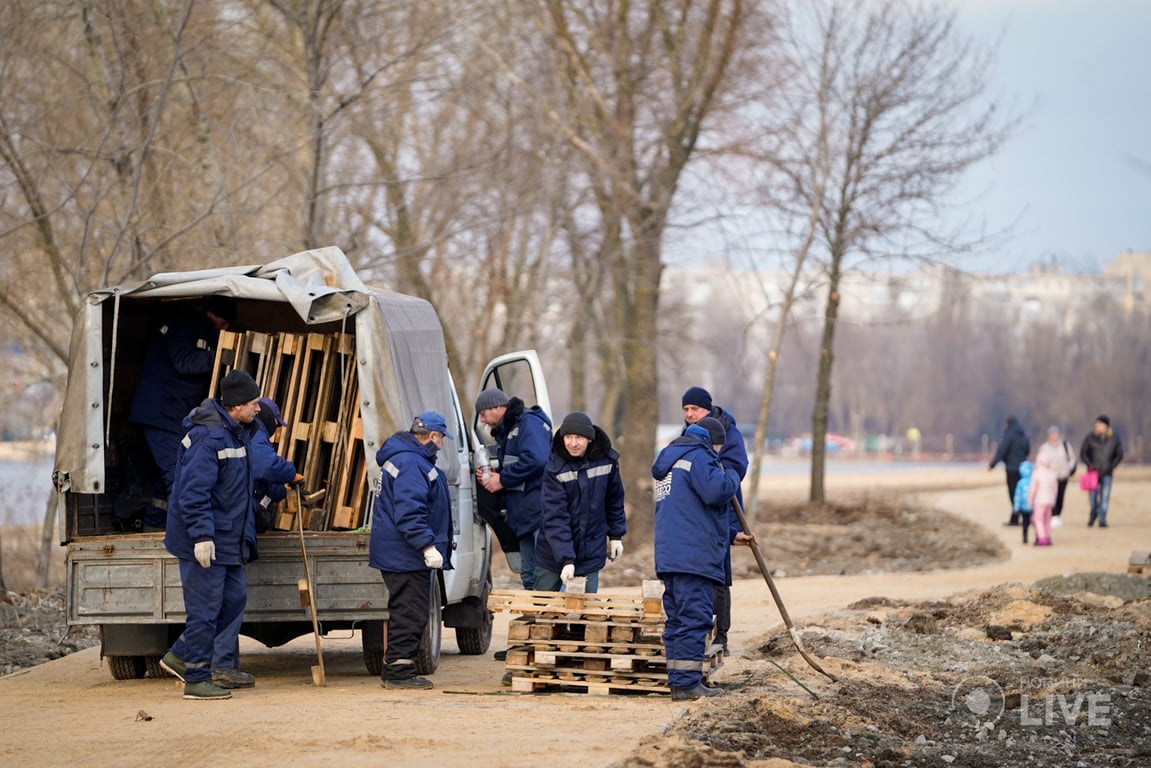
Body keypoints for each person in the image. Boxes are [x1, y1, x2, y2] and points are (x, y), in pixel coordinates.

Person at [159, 369, 261, 700]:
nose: (258, 409)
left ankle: (181, 653)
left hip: (228, 539)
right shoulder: (208, 439)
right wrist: (202, 536)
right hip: (203, 540)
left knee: (234, 600)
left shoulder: (237, 433)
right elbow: (193, 494)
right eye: (255, 404)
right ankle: (197, 679)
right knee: (205, 610)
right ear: (237, 405)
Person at [652, 416, 754, 701]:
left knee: (677, 620)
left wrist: (732, 535)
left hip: (672, 555)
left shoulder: (671, 460)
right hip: (693, 558)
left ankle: (679, 680)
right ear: (715, 443)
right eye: (719, 450)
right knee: (694, 619)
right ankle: (687, 684)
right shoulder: (699, 456)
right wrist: (732, 474)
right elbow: (716, 491)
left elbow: (690, 510)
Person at [130, 296, 237, 531]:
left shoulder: (202, 329)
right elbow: (184, 362)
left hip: (172, 415)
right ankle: (184, 537)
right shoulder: (182, 322)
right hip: (159, 414)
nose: (224, 329)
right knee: (179, 477)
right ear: (213, 315)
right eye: (224, 323)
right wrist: (221, 357)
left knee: (168, 477)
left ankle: (154, 527)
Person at [368, 411, 453, 689]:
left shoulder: (405, 458)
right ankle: (398, 672)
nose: (441, 445)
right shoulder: (412, 464)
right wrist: (427, 545)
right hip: (405, 555)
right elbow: (410, 513)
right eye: (440, 439)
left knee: (408, 609)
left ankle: (398, 666)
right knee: (410, 611)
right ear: (432, 437)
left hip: (400, 553)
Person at [680, 386, 748, 655]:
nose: (689, 414)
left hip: (723, 509)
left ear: (707, 408)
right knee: (697, 573)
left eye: (694, 409)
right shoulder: (687, 433)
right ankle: (700, 629)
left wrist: (712, 476)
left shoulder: (728, 430)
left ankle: (722, 634)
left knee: (719, 574)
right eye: (686, 410)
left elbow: (737, 466)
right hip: (695, 512)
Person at [534, 411, 627, 593]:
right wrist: (566, 559)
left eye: (579, 438)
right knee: (543, 611)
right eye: (569, 437)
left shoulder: (607, 462)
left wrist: (616, 536)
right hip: (552, 554)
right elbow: (555, 517)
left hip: (591, 552)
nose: (573, 443)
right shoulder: (554, 468)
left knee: (584, 611)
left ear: (589, 439)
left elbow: (614, 501)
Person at [474, 387, 552, 590]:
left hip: (539, 512)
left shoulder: (528, 422)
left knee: (546, 575)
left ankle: (553, 619)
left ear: (497, 408)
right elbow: (518, 462)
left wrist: (502, 479)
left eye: (483, 414)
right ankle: (536, 617)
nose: (482, 420)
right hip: (524, 515)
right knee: (529, 575)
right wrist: (494, 472)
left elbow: (537, 459)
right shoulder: (509, 430)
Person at [1080, 415, 1124, 528]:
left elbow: (1119, 455)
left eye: (1100, 424)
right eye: (1097, 424)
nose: (1098, 426)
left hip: (1107, 472)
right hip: (1092, 472)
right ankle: (1093, 513)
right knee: (1092, 497)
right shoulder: (1090, 437)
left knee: (1105, 497)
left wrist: (1111, 466)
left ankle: (1102, 519)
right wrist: (1090, 464)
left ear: (1106, 426)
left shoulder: (1114, 438)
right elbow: (1083, 453)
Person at [987, 415, 1031, 526]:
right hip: (1022, 469)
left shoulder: (1008, 435)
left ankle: (1018, 516)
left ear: (1008, 423)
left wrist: (992, 465)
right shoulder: (1024, 435)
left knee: (1013, 493)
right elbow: (1027, 450)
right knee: (1022, 492)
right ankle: (1017, 517)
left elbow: (1001, 451)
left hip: (1011, 469)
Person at [1036, 425, 1077, 529]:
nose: (1054, 436)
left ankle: (1058, 514)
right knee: (1051, 496)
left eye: (1055, 434)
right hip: (1050, 478)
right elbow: (1040, 462)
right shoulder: (1044, 448)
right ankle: (1052, 515)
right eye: (1052, 434)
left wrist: (1069, 469)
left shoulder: (1065, 445)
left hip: (1063, 475)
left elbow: (1072, 458)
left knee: (1060, 496)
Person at [1027, 453, 1058, 546]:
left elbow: (1032, 489)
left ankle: (1041, 537)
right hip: (1050, 500)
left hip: (1040, 500)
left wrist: (1030, 500)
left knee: (1038, 519)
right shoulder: (1052, 473)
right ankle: (1048, 537)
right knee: (1047, 519)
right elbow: (1055, 489)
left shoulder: (1036, 473)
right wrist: (1054, 500)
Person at [1012, 459, 1034, 544]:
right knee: (1035, 522)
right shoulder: (1034, 481)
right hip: (1033, 506)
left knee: (1025, 522)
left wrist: (1016, 508)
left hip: (1024, 507)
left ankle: (1025, 537)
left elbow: (1017, 496)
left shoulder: (1020, 483)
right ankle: (1038, 537)